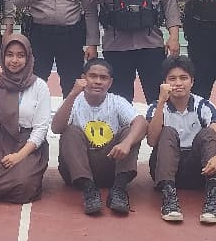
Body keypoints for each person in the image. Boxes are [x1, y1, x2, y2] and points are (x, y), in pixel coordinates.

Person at [51, 58, 146, 216]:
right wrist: (73, 93)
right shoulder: (74, 101)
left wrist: (127, 143)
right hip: (78, 170)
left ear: (110, 82)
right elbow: (56, 128)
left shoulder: (116, 102)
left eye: (103, 78)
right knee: (70, 131)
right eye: (92, 76)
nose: (97, 81)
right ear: (83, 78)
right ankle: (89, 190)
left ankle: (119, 190)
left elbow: (141, 122)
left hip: (109, 166)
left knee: (131, 132)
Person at [145, 55, 216, 224]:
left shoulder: (203, 105)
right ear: (164, 82)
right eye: (172, 79)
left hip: (197, 169)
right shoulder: (156, 107)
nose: (178, 83)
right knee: (167, 131)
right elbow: (152, 141)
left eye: (183, 78)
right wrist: (162, 102)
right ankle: (169, 197)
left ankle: (213, 195)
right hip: (166, 169)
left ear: (192, 81)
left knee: (208, 134)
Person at [0, 35, 51, 204]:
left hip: (25, 142)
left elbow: (41, 128)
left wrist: (19, 156)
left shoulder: (39, 86)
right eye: (9, 54)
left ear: (28, 58)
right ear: (2, 56)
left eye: (20, 55)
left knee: (24, 187)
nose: (14, 60)